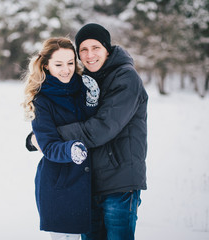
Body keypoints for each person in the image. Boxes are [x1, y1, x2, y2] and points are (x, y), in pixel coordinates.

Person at [26, 23, 148, 240]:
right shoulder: (85, 81)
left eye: (96, 48)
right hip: (90, 183)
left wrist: (48, 138)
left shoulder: (125, 78)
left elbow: (102, 128)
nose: (90, 55)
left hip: (119, 183)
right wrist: (42, 137)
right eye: (83, 49)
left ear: (107, 49)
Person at [22, 37, 101, 240]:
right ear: (46, 65)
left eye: (70, 63)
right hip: (59, 186)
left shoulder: (83, 88)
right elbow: (48, 145)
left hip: (89, 185)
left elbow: (93, 124)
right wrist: (70, 149)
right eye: (58, 64)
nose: (66, 70)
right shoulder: (42, 100)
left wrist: (91, 100)